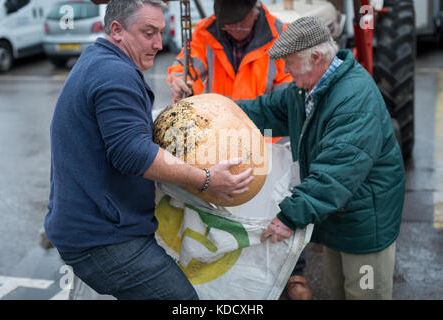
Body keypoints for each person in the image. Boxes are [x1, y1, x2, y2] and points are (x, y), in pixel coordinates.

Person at [44, 0, 254, 300]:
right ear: (117, 30)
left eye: (161, 33)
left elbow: (123, 132)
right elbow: (132, 153)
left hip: (90, 230)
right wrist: (205, 179)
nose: (158, 44)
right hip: (105, 239)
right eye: (148, 33)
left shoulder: (99, 60)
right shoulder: (116, 74)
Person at [238, 16, 405, 300]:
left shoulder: (354, 98)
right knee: (338, 291)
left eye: (289, 63)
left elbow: (335, 173)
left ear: (315, 57)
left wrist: (289, 217)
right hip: (336, 216)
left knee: (365, 294)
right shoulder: (308, 90)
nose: (287, 72)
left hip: (364, 224)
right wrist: (214, 109)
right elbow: (264, 111)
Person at [167, 0, 311, 300]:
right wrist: (181, 81)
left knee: (279, 204)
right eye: (226, 24)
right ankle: (230, 268)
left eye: (238, 22)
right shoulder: (205, 33)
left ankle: (294, 271)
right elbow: (186, 67)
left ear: (255, 9)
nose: (231, 29)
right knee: (222, 209)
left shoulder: (280, 34)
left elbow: (289, 91)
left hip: (266, 139)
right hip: (215, 143)